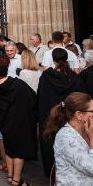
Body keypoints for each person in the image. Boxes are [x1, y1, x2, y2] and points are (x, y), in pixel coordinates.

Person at [0, 57, 37, 186]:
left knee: (9, 148)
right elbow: (32, 97)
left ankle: (10, 176)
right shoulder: (17, 84)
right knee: (19, 151)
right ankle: (16, 180)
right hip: (19, 122)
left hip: (4, 122)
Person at [37, 48, 85, 178]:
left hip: (51, 118)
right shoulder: (74, 78)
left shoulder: (46, 77)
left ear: (53, 60)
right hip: (69, 118)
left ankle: (53, 173)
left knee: (52, 146)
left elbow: (40, 97)